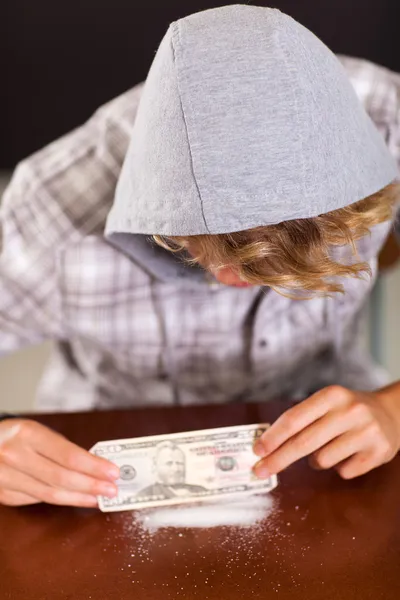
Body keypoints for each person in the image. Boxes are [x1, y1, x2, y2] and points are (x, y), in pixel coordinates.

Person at [0, 5, 399, 509]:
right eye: (214, 261)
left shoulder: (389, 121)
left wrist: (394, 409)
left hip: (336, 438)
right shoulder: (46, 211)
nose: (242, 284)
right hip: (94, 461)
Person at [137, 442, 207, 500]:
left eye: (180, 463)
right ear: (155, 467)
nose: (176, 469)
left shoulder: (201, 490)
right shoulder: (144, 495)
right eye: (169, 464)